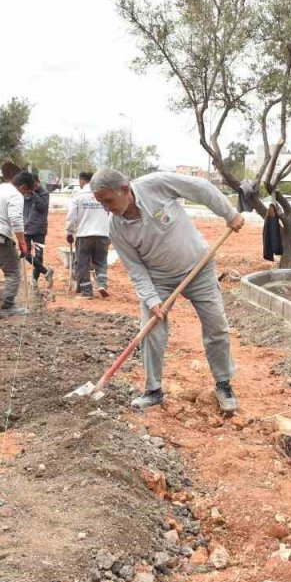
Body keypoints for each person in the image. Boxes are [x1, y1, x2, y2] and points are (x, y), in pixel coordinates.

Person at [90, 169, 245, 412]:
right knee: (151, 331)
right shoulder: (116, 227)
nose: (106, 208)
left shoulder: (156, 185)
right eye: (101, 203)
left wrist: (229, 213)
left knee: (217, 327)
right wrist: (151, 300)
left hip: (199, 267)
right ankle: (153, 390)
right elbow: (135, 268)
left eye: (108, 201)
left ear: (125, 189)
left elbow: (201, 188)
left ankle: (223, 384)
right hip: (158, 279)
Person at [0, 170, 37, 318]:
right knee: (14, 273)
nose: (26, 195)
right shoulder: (15, 195)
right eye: (27, 192)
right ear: (22, 186)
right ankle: (8, 305)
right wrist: (22, 242)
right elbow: (16, 219)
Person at [66, 171, 112, 298]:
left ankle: (87, 292)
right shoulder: (102, 195)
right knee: (101, 261)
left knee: (83, 263)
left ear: (82, 181)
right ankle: (102, 284)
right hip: (102, 233)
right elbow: (111, 213)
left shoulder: (78, 196)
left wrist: (69, 232)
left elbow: (71, 217)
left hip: (84, 235)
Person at [22, 176, 53, 287]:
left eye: (34, 185)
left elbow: (42, 207)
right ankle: (46, 271)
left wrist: (33, 194)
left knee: (39, 256)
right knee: (26, 254)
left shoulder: (44, 194)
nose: (33, 187)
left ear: (38, 183)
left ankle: (34, 280)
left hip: (39, 230)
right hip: (26, 229)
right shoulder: (25, 194)